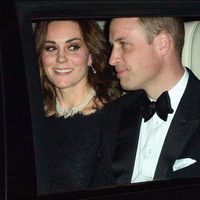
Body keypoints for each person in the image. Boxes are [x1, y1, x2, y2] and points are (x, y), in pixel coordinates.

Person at [102, 17, 200, 185]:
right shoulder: (115, 113)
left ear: (162, 44)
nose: (112, 59)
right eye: (113, 47)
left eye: (124, 44)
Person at [34, 19, 121, 195]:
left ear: (90, 55)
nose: (61, 58)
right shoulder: (30, 117)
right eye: (50, 48)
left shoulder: (114, 117)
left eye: (72, 47)